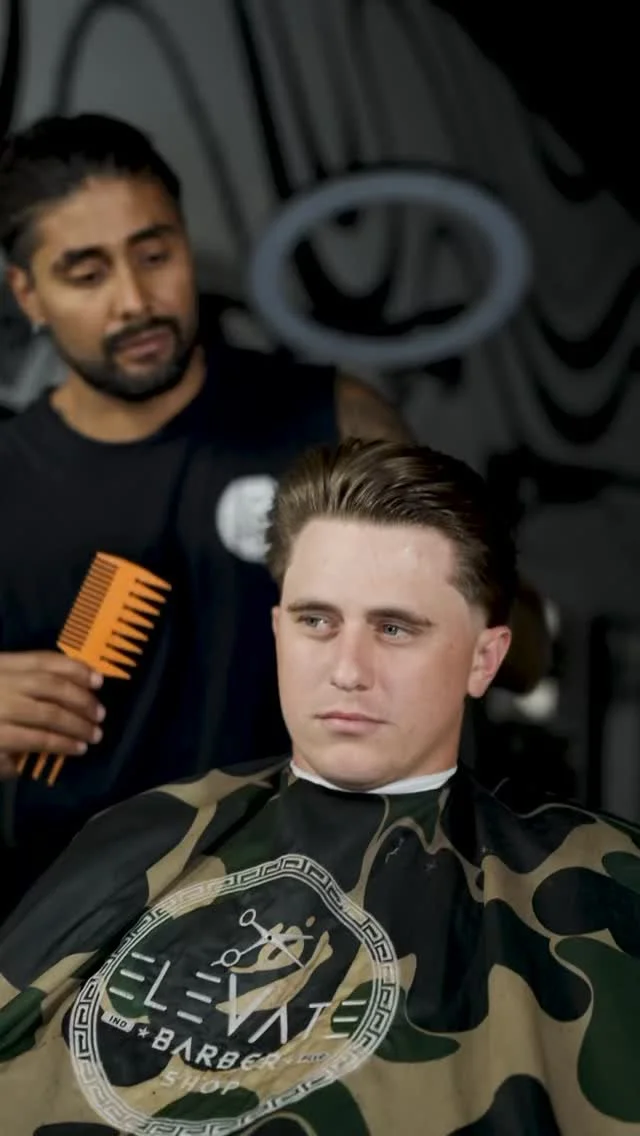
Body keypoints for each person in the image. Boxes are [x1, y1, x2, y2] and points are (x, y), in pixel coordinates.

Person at [0, 438, 636, 1135]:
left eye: (394, 628)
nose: (348, 670)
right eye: (316, 621)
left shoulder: (602, 882)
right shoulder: (140, 832)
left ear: (484, 660)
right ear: (278, 630)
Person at [0, 113, 416, 914]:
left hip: (319, 912)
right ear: (29, 294)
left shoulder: (336, 422)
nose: (134, 302)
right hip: (68, 935)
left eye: (155, 255)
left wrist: (465, 589)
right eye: (86, 274)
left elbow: (501, 644)